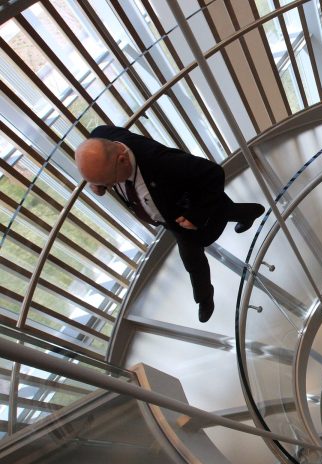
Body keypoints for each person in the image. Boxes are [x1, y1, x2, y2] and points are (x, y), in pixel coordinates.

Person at [75, 125, 265, 323]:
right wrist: (97, 182)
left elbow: (213, 173)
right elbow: (97, 140)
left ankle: (251, 212)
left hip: (185, 214)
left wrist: (196, 215)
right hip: (172, 220)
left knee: (198, 253)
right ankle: (205, 297)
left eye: (109, 182)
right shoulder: (100, 137)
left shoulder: (160, 162)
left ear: (122, 160)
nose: (109, 187)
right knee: (197, 256)